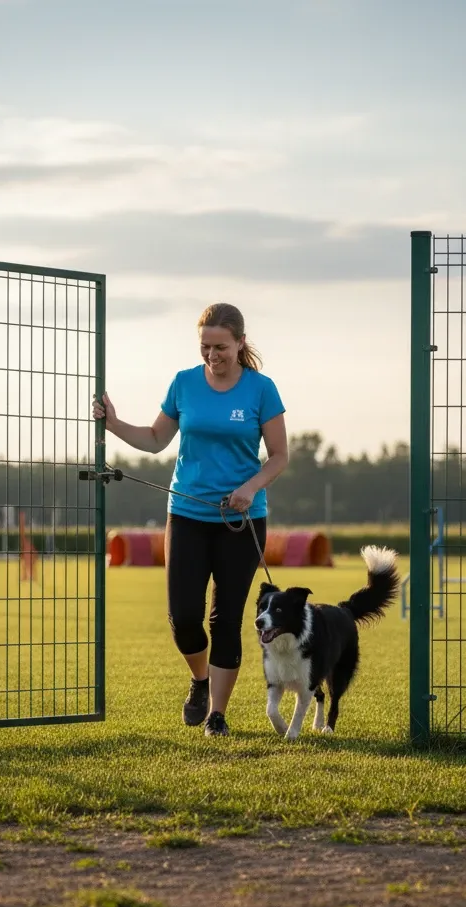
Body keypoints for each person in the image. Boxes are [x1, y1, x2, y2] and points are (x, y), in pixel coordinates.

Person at [92, 302, 288, 737]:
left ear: (239, 343)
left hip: (242, 520)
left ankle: (217, 713)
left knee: (226, 619)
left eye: (221, 347)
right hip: (187, 516)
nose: (212, 355)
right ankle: (199, 681)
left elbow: (279, 456)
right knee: (183, 617)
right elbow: (157, 438)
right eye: (205, 346)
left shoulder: (261, 389)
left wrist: (250, 488)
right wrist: (114, 423)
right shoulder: (183, 384)